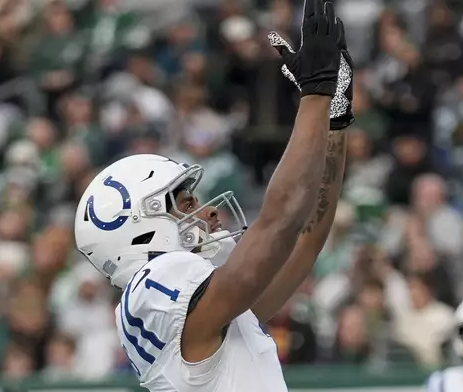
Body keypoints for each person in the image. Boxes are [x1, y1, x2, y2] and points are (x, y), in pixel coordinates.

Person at [73, 0, 354, 391]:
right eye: (186, 203)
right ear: (139, 228)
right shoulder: (154, 285)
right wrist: (315, 95)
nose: (207, 212)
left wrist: (334, 116)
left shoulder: (203, 309)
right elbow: (282, 224)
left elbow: (305, 238)